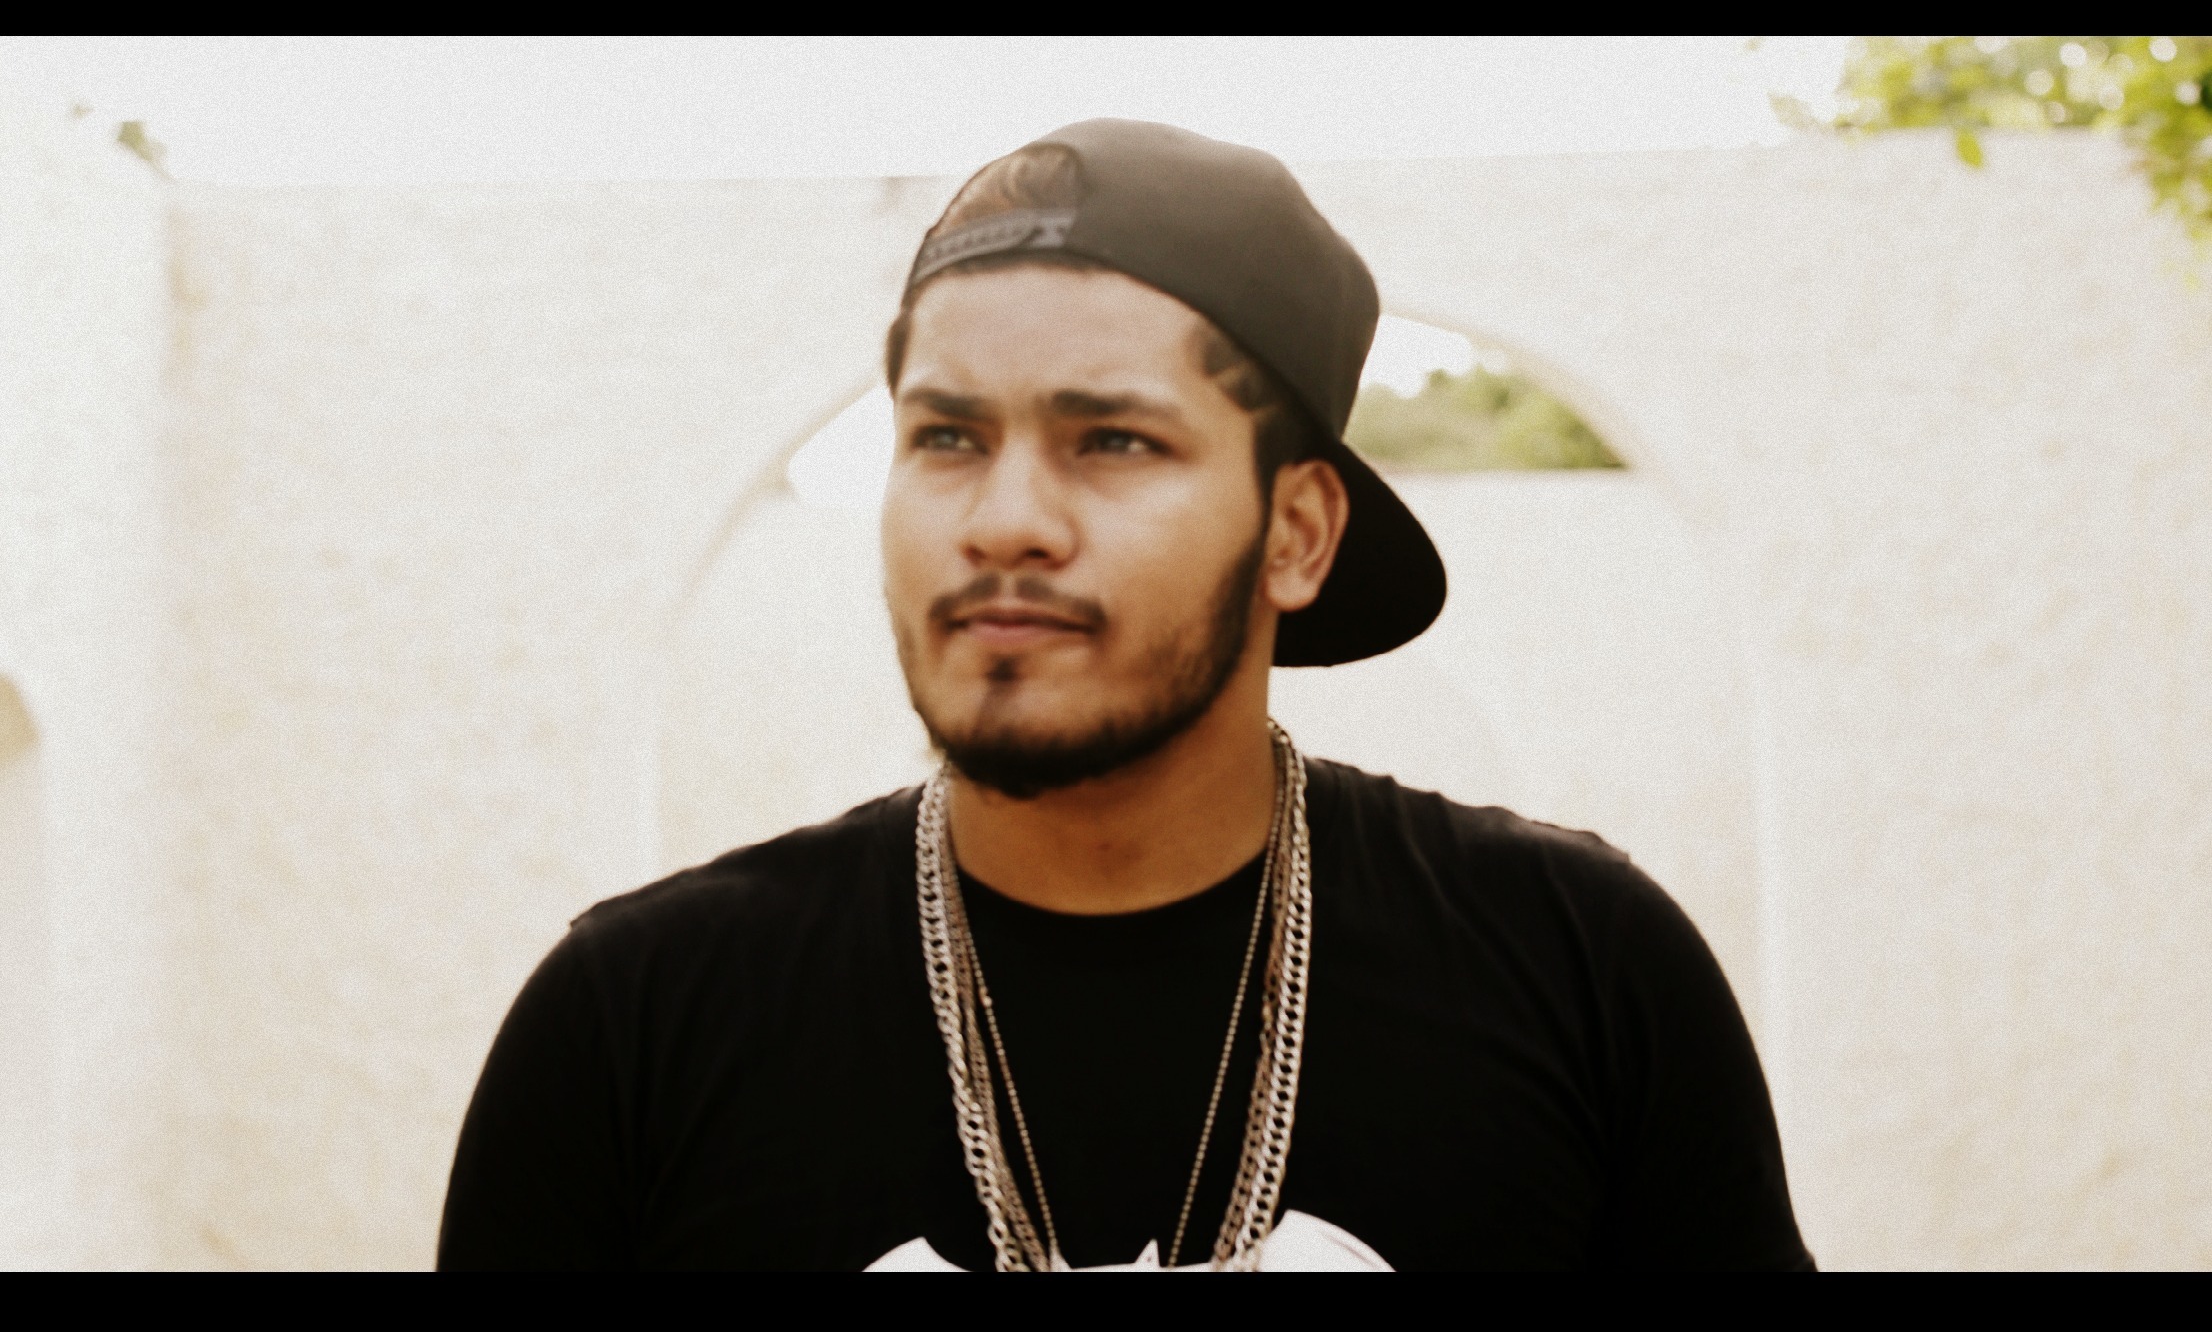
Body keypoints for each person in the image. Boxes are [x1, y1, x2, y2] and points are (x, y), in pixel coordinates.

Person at [438, 119, 1812, 1270]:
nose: (1005, 520)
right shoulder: (635, 1025)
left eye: (1111, 440)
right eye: (946, 437)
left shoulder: (1582, 971)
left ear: (1297, 533)